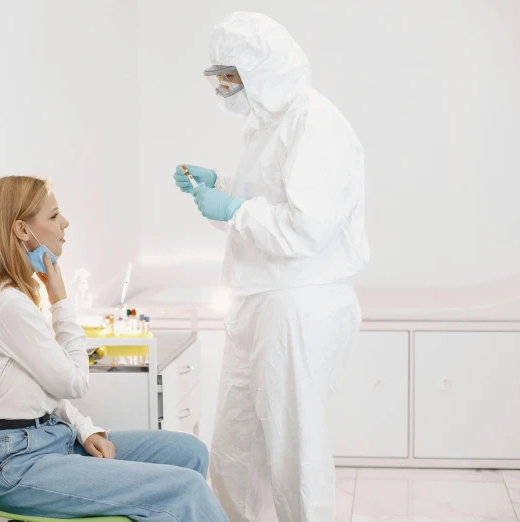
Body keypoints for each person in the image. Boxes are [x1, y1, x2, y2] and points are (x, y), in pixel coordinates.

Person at [173, 12, 370, 522]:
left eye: (229, 75)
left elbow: (306, 228)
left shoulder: (314, 120)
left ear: (261, 69)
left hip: (298, 305)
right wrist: (223, 189)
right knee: (238, 446)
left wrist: (235, 207)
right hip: (259, 302)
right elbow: (259, 217)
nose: (221, 87)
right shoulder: (267, 125)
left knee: (293, 454)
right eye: (218, 76)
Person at [0, 175, 228, 521]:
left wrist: (85, 428)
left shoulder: (16, 299)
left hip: (46, 438)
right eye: (54, 215)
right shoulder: (8, 305)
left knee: (188, 451)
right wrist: (61, 300)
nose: (65, 224)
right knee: (186, 489)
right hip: (14, 463)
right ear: (22, 231)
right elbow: (74, 382)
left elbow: (45, 390)